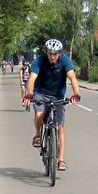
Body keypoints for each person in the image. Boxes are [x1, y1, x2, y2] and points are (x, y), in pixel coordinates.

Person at [22, 39, 81, 172]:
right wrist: (29, 95)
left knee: (60, 127)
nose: (52, 56)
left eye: (55, 54)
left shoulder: (65, 60)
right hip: (40, 93)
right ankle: (37, 135)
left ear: (59, 53)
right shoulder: (40, 61)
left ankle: (61, 160)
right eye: (50, 53)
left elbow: (72, 78)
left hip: (58, 96)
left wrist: (76, 94)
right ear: (46, 52)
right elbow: (32, 79)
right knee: (39, 114)